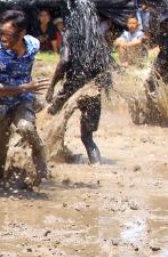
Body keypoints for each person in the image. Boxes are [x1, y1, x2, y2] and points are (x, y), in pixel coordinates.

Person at [0, 10, 50, 188]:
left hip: (22, 100)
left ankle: (39, 151)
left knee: (26, 127)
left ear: (22, 34)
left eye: (9, 35)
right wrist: (27, 86)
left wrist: (27, 90)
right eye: (0, 33)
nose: (3, 38)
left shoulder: (33, 45)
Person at [46, 6, 113, 165]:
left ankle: (43, 157)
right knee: (87, 138)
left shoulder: (70, 33)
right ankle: (97, 167)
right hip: (93, 88)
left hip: (72, 86)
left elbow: (65, 61)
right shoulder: (97, 36)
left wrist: (51, 86)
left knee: (51, 119)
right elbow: (107, 66)